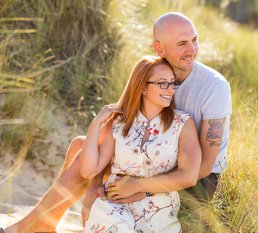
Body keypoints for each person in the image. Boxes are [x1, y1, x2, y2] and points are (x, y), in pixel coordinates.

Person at [3, 12, 231, 233]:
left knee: (88, 155)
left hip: (195, 181)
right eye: (182, 43)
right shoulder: (153, 73)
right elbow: (118, 126)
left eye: (194, 40)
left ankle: (29, 228)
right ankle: (45, 223)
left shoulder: (214, 87)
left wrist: (143, 188)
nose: (192, 50)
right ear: (160, 48)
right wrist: (93, 184)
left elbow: (203, 167)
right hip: (153, 158)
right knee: (79, 146)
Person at [80, 55, 201, 232]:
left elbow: (189, 176)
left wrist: (137, 186)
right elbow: (88, 170)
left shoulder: (182, 123)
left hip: (158, 208)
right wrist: (95, 125)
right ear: (143, 87)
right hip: (114, 203)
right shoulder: (119, 121)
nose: (170, 89)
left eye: (172, 82)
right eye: (162, 83)